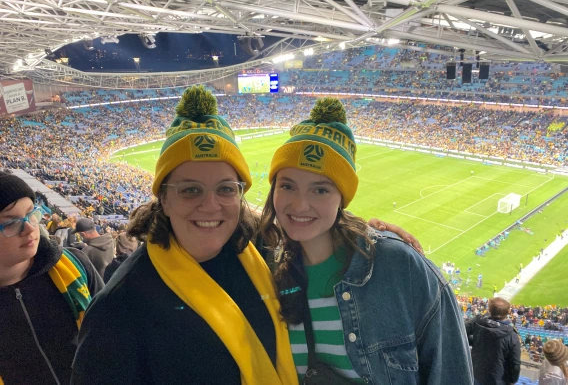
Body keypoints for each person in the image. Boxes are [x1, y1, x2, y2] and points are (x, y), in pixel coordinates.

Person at [72, 87, 421, 385]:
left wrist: (373, 237)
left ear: (240, 195)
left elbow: (311, 223)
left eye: (225, 189)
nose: (211, 206)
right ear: (163, 197)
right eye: (190, 190)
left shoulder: (257, 250)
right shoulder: (119, 306)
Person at [260, 98, 473, 384]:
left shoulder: (398, 266)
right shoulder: (265, 270)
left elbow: (451, 374)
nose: (299, 205)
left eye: (320, 190)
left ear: (342, 198)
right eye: (287, 186)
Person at [0, 171, 103, 385]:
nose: (29, 228)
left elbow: (115, 333)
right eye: (11, 223)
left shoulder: (76, 264)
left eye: (31, 214)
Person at [465, 297, 521, 385]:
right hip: (498, 380)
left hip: (475, 376)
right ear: (507, 313)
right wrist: (512, 381)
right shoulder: (512, 336)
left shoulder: (478, 323)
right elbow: (515, 363)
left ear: (489, 310)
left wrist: (475, 340)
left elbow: (462, 331)